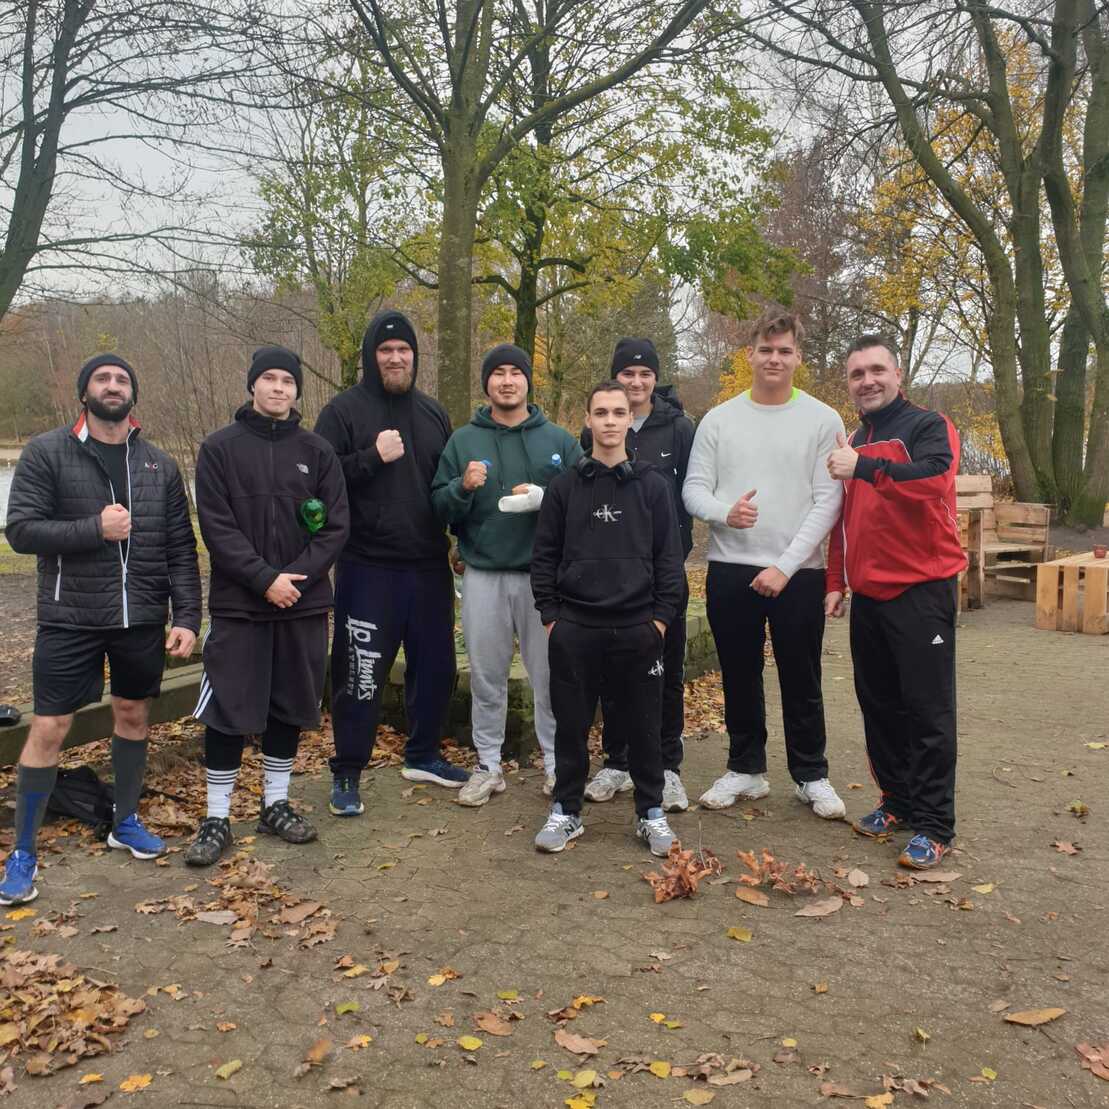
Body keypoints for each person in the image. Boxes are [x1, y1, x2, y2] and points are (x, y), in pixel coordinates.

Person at [0, 354, 201, 904]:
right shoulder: (47, 452)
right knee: (50, 728)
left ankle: (125, 820)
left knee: (134, 715)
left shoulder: (158, 463)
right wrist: (95, 528)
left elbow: (182, 549)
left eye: (122, 380)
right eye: (102, 379)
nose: (113, 386)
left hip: (140, 618)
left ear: (133, 395)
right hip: (71, 619)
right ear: (83, 392)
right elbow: (20, 530)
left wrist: (186, 617)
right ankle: (23, 853)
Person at [185, 347, 349, 865]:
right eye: (269, 379)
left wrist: (295, 579)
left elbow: (336, 526)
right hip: (241, 605)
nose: (278, 388)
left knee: (290, 704)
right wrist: (264, 579)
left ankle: (275, 805)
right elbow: (216, 526)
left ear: (297, 390)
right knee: (230, 710)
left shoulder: (318, 451)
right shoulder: (219, 449)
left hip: (301, 603)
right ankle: (216, 817)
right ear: (252, 385)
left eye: (287, 380)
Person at [682, 306, 846, 821]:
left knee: (802, 673)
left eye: (784, 351)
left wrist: (786, 566)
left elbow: (830, 500)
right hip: (730, 566)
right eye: (765, 350)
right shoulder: (719, 419)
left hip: (798, 571)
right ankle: (745, 769)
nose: (774, 358)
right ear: (749, 354)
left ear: (798, 357)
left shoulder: (822, 419)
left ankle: (811, 775)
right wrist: (724, 513)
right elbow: (693, 491)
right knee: (738, 673)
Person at [315, 310, 466, 816]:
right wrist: (370, 458)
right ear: (370, 356)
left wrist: (459, 539)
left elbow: (445, 488)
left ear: (415, 357)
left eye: (404, 349)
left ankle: (423, 754)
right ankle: (347, 771)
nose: (396, 357)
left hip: (427, 564)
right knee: (359, 672)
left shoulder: (433, 414)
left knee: (437, 667)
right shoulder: (343, 412)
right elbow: (316, 480)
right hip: (367, 567)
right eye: (385, 350)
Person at [824, 335, 966, 870]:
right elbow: (844, 519)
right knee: (879, 706)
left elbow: (934, 480)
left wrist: (861, 466)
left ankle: (935, 824)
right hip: (871, 599)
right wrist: (835, 581)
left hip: (922, 591)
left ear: (897, 373)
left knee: (927, 710)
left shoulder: (927, 426)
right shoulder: (856, 437)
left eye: (877, 370)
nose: (868, 381)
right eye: (857, 373)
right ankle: (898, 802)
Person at [531, 381, 683, 856]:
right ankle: (566, 811)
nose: (611, 421)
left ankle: (650, 812)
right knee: (571, 725)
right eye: (602, 413)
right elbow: (544, 558)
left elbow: (669, 563)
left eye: (619, 412)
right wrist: (553, 618)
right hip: (575, 628)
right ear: (589, 419)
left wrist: (657, 621)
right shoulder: (564, 488)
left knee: (643, 725)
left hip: (638, 628)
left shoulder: (653, 487)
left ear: (628, 420)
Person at [432, 344, 582, 806]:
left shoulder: (557, 440)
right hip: (484, 575)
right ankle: (488, 766)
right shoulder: (462, 441)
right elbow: (437, 506)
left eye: (515, 372)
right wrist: (462, 487)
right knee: (487, 675)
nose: (507, 381)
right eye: (497, 373)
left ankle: (558, 766)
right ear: (487, 384)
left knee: (551, 676)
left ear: (527, 381)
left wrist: (549, 493)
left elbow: (587, 494)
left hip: (545, 578)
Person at [580, 338, 695, 812]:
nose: (636, 381)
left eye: (645, 373)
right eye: (627, 373)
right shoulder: (593, 431)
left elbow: (693, 494)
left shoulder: (679, 429)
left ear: (655, 380)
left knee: (664, 673)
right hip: (611, 579)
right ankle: (618, 761)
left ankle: (668, 766)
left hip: (664, 573)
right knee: (614, 673)